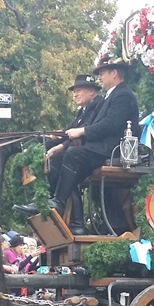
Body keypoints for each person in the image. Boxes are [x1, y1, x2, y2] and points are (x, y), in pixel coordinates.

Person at [15, 60, 139, 233]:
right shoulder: (110, 96)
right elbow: (94, 124)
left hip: (112, 149)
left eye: (102, 73)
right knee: (60, 159)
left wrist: (82, 131)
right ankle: (58, 211)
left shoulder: (123, 95)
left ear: (114, 73)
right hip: (99, 146)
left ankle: (59, 204)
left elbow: (111, 124)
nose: (99, 78)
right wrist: (62, 137)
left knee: (73, 155)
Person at [37, 74, 105, 233]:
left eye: (79, 90)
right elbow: (70, 131)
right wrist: (55, 138)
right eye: (74, 91)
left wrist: (59, 147)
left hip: (94, 152)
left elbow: (83, 133)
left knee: (62, 158)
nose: (75, 94)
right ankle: (75, 223)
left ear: (92, 92)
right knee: (54, 152)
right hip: (80, 153)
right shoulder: (82, 111)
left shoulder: (96, 106)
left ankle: (59, 206)